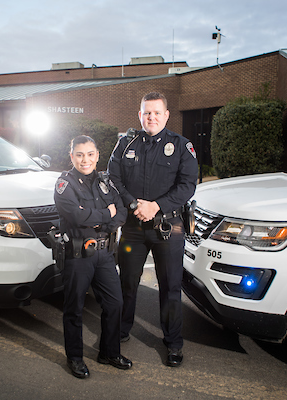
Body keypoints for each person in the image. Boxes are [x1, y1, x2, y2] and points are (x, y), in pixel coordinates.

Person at [107, 92, 198, 367]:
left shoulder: (181, 146)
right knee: (127, 283)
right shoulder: (125, 144)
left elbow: (187, 185)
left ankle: (173, 343)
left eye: (157, 112)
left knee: (170, 287)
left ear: (166, 115)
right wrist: (135, 205)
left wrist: (156, 206)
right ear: (140, 115)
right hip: (134, 227)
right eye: (147, 112)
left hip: (168, 228)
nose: (152, 117)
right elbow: (113, 178)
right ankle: (120, 331)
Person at [54, 135, 132, 379]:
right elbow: (76, 218)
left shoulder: (105, 181)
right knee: (74, 308)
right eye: (79, 154)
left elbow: (120, 213)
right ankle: (75, 358)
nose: (85, 159)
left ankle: (109, 352)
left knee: (115, 303)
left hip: (105, 254)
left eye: (89, 154)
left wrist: (98, 218)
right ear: (72, 157)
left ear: (97, 156)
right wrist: (104, 214)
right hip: (78, 255)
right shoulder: (64, 184)